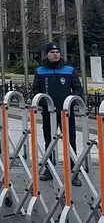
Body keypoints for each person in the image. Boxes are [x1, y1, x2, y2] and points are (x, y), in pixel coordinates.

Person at [33, 42, 83, 186]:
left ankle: (74, 173)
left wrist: (70, 103)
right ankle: (49, 170)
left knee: (70, 141)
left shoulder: (69, 70)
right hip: (49, 113)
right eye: (52, 52)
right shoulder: (40, 71)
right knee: (49, 141)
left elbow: (78, 89)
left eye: (57, 52)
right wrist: (45, 105)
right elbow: (36, 91)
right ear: (47, 55)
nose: (55, 54)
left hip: (66, 113)